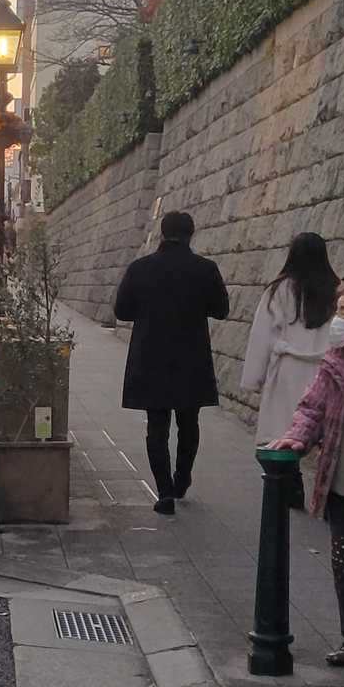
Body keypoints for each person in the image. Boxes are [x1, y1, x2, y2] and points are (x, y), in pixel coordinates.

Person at [279, 280, 344, 667]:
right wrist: (296, 437)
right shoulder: (335, 361)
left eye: (343, 313)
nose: (335, 321)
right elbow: (312, 408)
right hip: (340, 485)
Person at [114, 210, 230, 515]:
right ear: (191, 234)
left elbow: (122, 311)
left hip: (151, 356)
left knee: (157, 426)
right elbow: (221, 309)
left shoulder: (140, 268)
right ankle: (182, 479)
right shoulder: (205, 269)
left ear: (162, 233)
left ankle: (164, 492)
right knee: (189, 422)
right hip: (191, 357)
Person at [241, 232, 339, 510]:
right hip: (325, 370)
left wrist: (254, 378)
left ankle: (291, 484)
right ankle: (328, 493)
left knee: (284, 432)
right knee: (325, 434)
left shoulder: (279, 290)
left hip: (288, 369)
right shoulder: (336, 289)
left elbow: (262, 336)